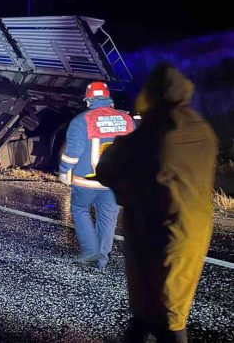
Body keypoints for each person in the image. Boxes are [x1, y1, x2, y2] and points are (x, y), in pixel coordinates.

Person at [95, 65, 218, 343]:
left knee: (164, 315)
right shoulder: (202, 129)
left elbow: (107, 168)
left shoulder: (152, 133)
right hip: (194, 229)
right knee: (167, 306)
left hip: (156, 231)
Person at [57, 81, 134, 270]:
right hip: (114, 183)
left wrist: (64, 171)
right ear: (109, 99)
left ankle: (90, 250)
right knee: (107, 219)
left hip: (87, 181)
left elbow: (73, 153)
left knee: (80, 209)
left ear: (88, 100)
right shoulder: (127, 120)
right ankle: (101, 261)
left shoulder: (81, 121)